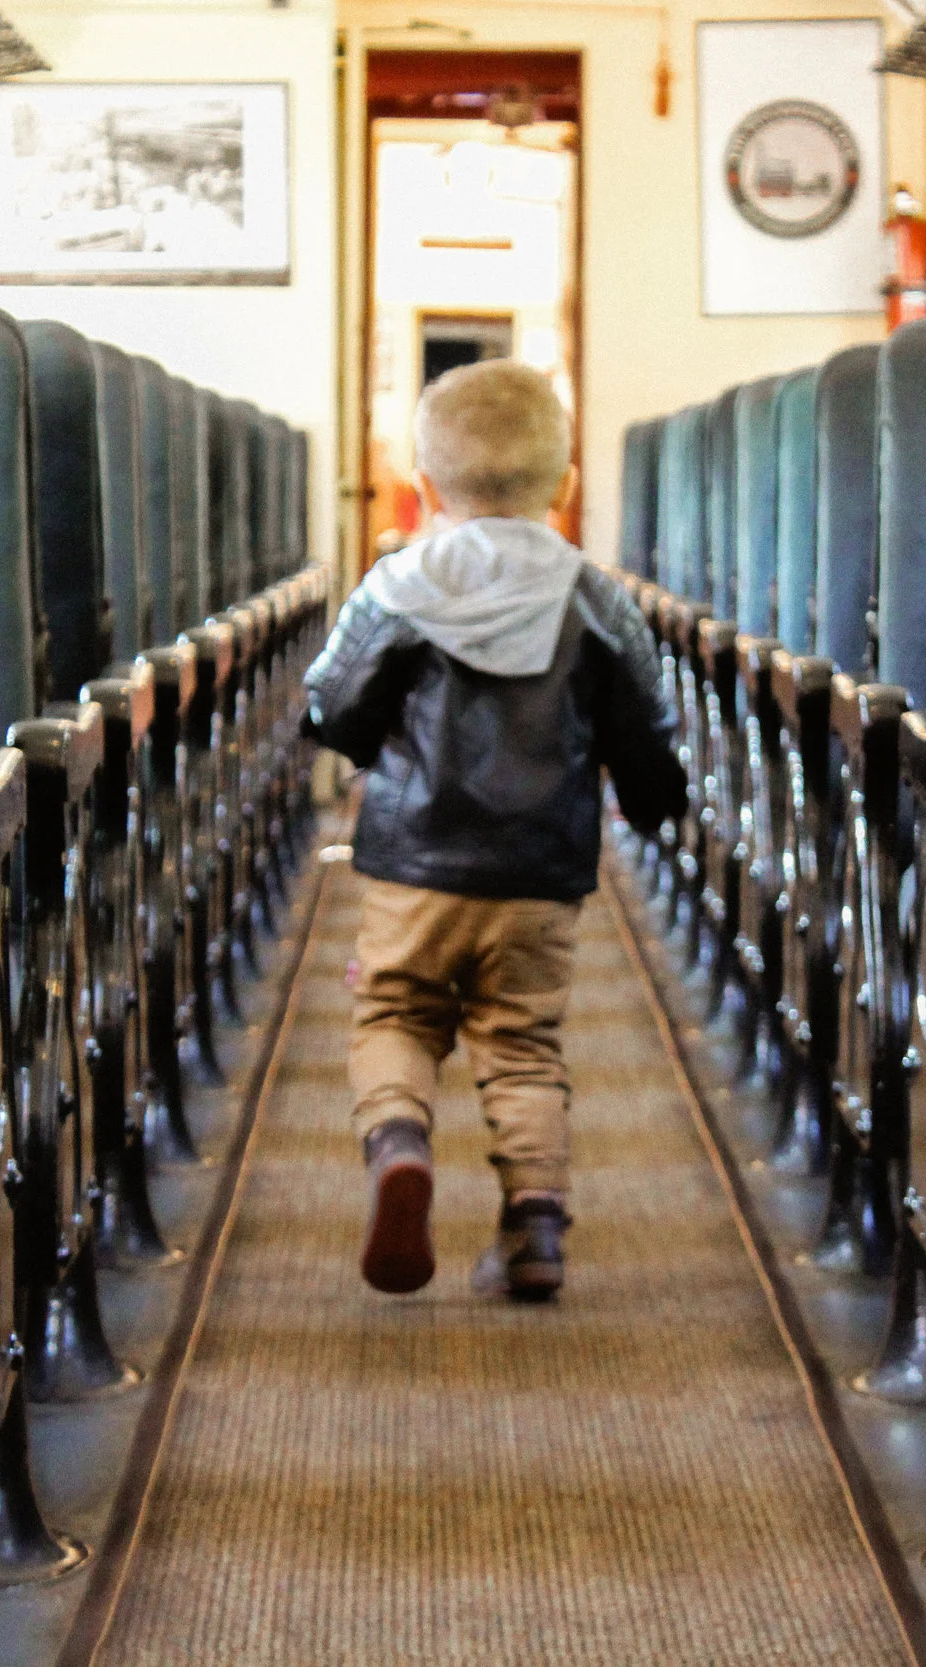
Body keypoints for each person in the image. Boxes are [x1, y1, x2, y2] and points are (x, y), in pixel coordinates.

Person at [302, 361, 687, 1301]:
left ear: (426, 487)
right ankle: (535, 1229)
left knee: (394, 1011)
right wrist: (651, 802)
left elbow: (334, 707)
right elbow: (646, 729)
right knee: (523, 1042)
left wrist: (373, 743)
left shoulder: (398, 587)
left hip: (413, 865)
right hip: (540, 865)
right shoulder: (598, 599)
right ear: (562, 485)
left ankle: (399, 1145)